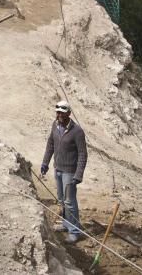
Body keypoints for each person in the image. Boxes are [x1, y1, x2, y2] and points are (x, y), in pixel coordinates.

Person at [40, 100, 88, 243]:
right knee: (61, 199)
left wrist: (78, 174)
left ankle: (74, 231)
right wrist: (45, 162)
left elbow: (83, 154)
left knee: (70, 201)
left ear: (68, 113)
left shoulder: (77, 131)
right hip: (58, 169)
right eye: (58, 112)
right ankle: (66, 224)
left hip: (70, 172)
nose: (59, 114)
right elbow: (50, 145)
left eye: (62, 112)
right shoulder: (55, 126)